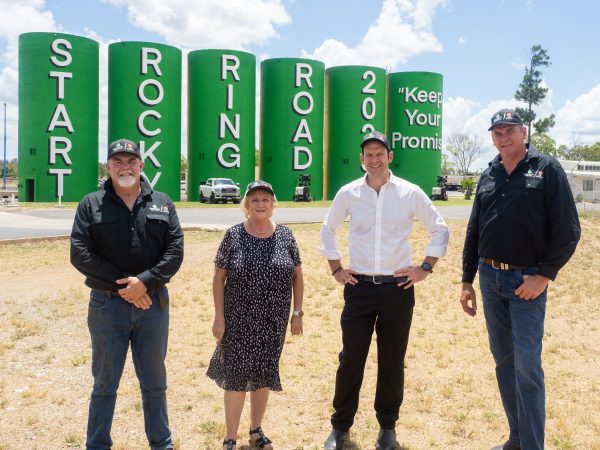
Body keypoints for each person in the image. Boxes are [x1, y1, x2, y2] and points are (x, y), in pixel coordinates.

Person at [320, 131, 449, 450]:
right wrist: (336, 269)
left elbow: (440, 228)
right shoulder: (349, 193)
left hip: (398, 288)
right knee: (351, 358)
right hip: (359, 287)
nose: (374, 159)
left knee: (392, 359)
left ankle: (387, 428)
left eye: (380, 153)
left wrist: (426, 267)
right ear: (361, 159)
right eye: (368, 154)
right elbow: (328, 229)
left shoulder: (410, 193)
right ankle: (340, 427)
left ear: (390, 157)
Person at [460, 109, 581, 450]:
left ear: (523, 132)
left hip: (525, 282)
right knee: (504, 359)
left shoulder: (546, 168)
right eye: (497, 133)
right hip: (489, 278)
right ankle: (516, 437)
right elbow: (474, 230)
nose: (503, 138)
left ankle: (532, 445)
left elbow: (568, 231)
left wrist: (543, 276)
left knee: (527, 363)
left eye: (509, 131)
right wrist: (466, 279)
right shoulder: (490, 173)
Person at [70, 139, 184, 450]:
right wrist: (127, 288)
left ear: (141, 166)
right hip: (107, 307)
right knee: (104, 383)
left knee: (154, 383)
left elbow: (175, 251)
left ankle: (161, 444)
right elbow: (80, 254)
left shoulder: (162, 202)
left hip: (153, 306)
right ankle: (97, 445)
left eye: (131, 161)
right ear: (107, 167)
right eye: (117, 161)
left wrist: (144, 283)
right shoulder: (90, 204)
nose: (125, 167)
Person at [206, 180, 304, 450]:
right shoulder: (234, 235)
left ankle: (255, 430)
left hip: (274, 320)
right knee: (236, 376)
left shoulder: (285, 236)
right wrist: (219, 317)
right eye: (255, 200)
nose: (260, 204)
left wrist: (298, 312)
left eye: (266, 199)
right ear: (246, 205)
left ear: (273, 204)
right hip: (238, 319)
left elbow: (297, 275)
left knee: (264, 374)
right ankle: (230, 437)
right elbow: (218, 278)